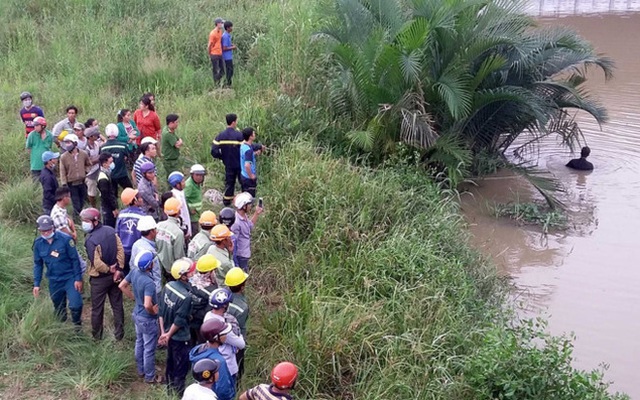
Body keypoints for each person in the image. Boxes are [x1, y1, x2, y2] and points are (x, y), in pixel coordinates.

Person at [119, 250, 163, 384]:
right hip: (147, 319)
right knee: (149, 348)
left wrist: (133, 298)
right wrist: (152, 312)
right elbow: (147, 304)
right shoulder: (149, 282)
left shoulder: (134, 272)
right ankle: (150, 376)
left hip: (137, 314)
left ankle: (141, 369)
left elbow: (122, 285)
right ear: (149, 265)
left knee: (139, 342)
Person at [81, 207, 125, 340]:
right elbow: (120, 250)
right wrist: (118, 269)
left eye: (85, 221)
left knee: (97, 309)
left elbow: (96, 263)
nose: (83, 223)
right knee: (117, 305)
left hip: (99, 280)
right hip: (115, 277)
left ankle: (97, 337)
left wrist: (108, 269)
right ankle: (119, 334)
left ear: (94, 221)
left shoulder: (90, 240)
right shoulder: (111, 231)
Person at [32, 215, 83, 326]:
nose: (46, 233)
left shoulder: (66, 239)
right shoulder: (38, 244)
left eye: (48, 230)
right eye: (43, 231)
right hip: (54, 280)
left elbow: (75, 260)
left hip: (70, 277)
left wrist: (78, 279)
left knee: (76, 305)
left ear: (53, 228)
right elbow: (38, 264)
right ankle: (61, 327)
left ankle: (77, 327)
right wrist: (36, 283)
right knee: (58, 307)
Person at [159, 258, 196, 397]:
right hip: (180, 337)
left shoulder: (168, 286)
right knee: (181, 367)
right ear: (183, 275)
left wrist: (164, 333)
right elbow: (179, 321)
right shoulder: (186, 297)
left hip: (168, 334)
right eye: (190, 272)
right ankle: (179, 394)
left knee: (170, 363)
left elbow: (161, 311)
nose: (192, 274)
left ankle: (169, 391)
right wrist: (168, 335)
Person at [203, 288, 245, 384]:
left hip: (211, 359)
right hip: (227, 365)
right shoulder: (223, 329)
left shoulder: (208, 316)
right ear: (224, 306)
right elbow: (241, 344)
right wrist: (239, 335)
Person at [189, 318, 236, 400]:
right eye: (224, 334)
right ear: (216, 338)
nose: (226, 336)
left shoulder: (198, 350)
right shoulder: (219, 361)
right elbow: (223, 390)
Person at [211, 114, 243, 206]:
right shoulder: (239, 135)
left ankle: (226, 202)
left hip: (228, 164)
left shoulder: (220, 136)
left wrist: (222, 157)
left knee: (229, 183)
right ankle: (245, 202)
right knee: (243, 183)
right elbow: (246, 147)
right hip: (239, 164)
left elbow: (214, 151)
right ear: (233, 122)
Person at [225, 267, 250, 384]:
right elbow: (240, 327)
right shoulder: (242, 307)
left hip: (220, 337)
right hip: (235, 341)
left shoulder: (223, 296)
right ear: (242, 286)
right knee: (238, 368)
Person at [189, 254, 221, 344]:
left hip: (188, 320)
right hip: (201, 324)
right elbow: (209, 312)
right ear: (210, 272)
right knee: (201, 347)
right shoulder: (212, 292)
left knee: (190, 344)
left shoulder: (190, 281)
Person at [59, 133, 91, 217]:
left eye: (69, 142)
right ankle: (76, 219)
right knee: (76, 204)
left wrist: (85, 171)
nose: (67, 145)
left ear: (75, 143)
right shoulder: (63, 157)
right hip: (71, 184)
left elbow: (88, 164)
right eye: (66, 143)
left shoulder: (83, 154)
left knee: (83, 201)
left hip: (82, 182)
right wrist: (64, 184)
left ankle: (83, 218)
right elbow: (62, 171)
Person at [116, 188, 146, 275]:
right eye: (139, 197)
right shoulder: (142, 216)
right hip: (136, 251)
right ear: (135, 200)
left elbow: (117, 233)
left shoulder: (121, 214)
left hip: (122, 252)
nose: (141, 199)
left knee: (125, 275)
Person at [130, 216, 162, 294]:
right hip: (150, 289)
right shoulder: (151, 252)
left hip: (138, 283)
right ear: (151, 231)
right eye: (155, 229)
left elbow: (132, 264)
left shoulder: (136, 244)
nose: (156, 231)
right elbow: (156, 273)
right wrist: (157, 291)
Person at [156, 198, 186, 281]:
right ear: (178, 211)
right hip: (173, 270)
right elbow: (179, 256)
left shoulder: (159, 226)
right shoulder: (178, 233)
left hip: (160, 266)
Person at [231, 192, 263, 271]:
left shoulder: (243, 216)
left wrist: (256, 213)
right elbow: (234, 242)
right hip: (241, 256)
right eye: (249, 204)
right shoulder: (236, 223)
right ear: (244, 206)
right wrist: (235, 263)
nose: (250, 206)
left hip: (245, 254)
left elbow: (250, 226)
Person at [101, 123, 133, 192]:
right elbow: (129, 156)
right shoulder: (123, 146)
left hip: (110, 175)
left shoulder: (103, 148)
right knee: (131, 192)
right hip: (122, 174)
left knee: (113, 195)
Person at [96, 153, 119, 228]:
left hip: (109, 206)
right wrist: (113, 208)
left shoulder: (106, 174)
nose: (112, 164)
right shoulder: (103, 178)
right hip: (108, 208)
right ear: (104, 164)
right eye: (110, 162)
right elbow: (106, 196)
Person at [239, 127, 263, 197]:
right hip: (248, 178)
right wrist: (251, 176)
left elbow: (245, 157)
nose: (255, 134)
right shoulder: (248, 150)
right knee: (250, 198)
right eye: (253, 133)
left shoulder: (243, 145)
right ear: (250, 137)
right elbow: (247, 165)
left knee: (244, 196)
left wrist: (255, 153)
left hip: (243, 175)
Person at [185, 164, 207, 235]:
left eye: (201, 175)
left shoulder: (197, 184)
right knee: (194, 232)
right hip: (192, 215)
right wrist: (190, 208)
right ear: (192, 175)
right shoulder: (189, 185)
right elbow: (184, 198)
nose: (199, 177)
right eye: (197, 175)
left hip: (197, 213)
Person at [84, 126, 103, 208]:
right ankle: (93, 207)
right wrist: (98, 158)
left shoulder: (96, 144)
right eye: (95, 135)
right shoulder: (86, 148)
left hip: (97, 170)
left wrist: (95, 159)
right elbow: (87, 163)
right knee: (91, 192)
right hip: (90, 173)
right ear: (90, 137)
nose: (97, 137)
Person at [169, 171, 192, 238]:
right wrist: (185, 228)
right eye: (182, 182)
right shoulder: (175, 196)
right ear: (177, 184)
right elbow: (181, 214)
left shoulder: (181, 192)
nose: (184, 183)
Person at [40, 151, 60, 215]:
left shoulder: (48, 171)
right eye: (54, 159)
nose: (56, 160)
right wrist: (58, 199)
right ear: (49, 161)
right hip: (50, 207)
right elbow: (47, 194)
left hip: (51, 205)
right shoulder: (47, 176)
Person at [208, 18, 225, 86]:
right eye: (221, 23)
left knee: (222, 71)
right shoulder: (212, 33)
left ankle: (218, 81)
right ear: (218, 24)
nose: (222, 25)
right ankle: (216, 84)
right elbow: (209, 45)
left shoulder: (220, 31)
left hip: (219, 53)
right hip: (214, 54)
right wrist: (210, 54)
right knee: (215, 70)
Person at [221, 21, 236, 87]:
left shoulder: (227, 35)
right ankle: (227, 84)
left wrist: (231, 45)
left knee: (230, 71)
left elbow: (227, 45)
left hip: (229, 56)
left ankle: (228, 84)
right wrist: (232, 47)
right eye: (231, 27)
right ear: (227, 28)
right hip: (227, 57)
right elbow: (224, 48)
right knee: (230, 71)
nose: (232, 28)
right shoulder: (225, 36)